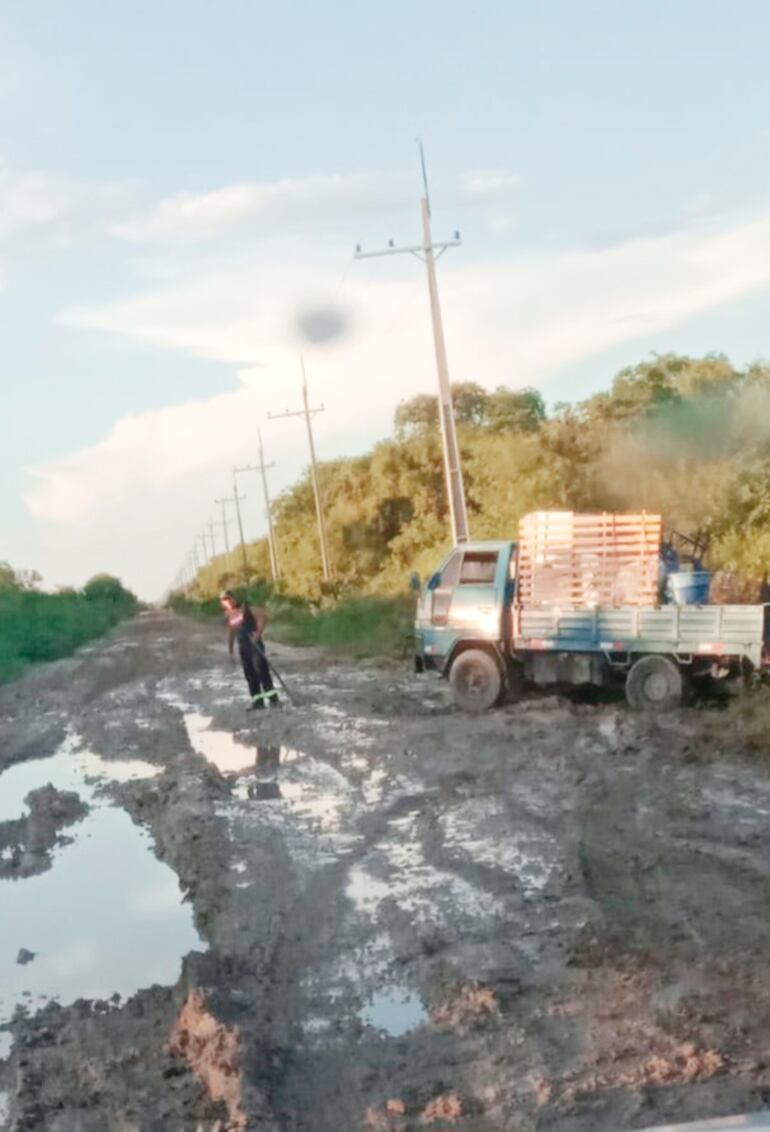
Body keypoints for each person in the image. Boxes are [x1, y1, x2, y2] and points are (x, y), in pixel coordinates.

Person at [219, 591, 279, 710]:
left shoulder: (246, 608)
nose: (228, 601)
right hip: (243, 647)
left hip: (255, 645)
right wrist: (230, 650)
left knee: (261, 670)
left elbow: (263, 617)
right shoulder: (229, 615)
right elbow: (231, 632)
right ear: (222, 603)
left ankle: (273, 700)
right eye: (224, 600)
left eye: (229, 598)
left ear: (233, 598)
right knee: (250, 674)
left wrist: (257, 635)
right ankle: (257, 702)